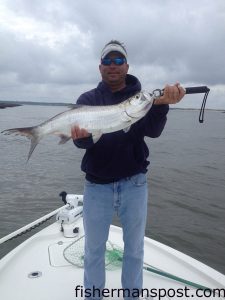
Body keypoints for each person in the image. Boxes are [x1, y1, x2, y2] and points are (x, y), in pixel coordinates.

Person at [72, 40, 185, 300]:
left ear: (127, 66)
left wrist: (162, 105)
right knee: (93, 251)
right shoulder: (88, 100)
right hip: (96, 186)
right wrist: (81, 137)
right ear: (100, 67)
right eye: (108, 61)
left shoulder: (141, 98)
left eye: (118, 61)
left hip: (135, 184)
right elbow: (82, 143)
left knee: (134, 250)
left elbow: (153, 132)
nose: (113, 66)